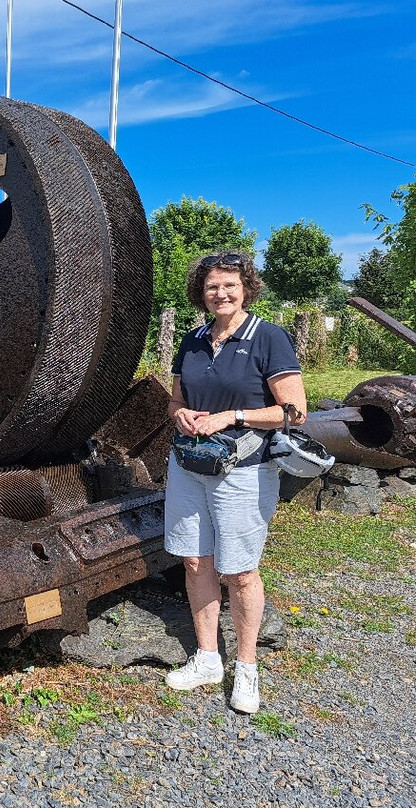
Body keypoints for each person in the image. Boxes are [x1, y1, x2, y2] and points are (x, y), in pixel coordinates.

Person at [164, 251, 307, 714]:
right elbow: (175, 402)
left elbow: (293, 411)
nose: (220, 294)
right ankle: (208, 657)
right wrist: (180, 414)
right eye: (211, 287)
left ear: (246, 288)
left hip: (242, 470)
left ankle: (246, 667)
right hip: (189, 464)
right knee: (193, 561)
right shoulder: (191, 341)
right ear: (200, 294)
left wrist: (235, 415)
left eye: (229, 285)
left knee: (241, 573)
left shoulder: (268, 338)